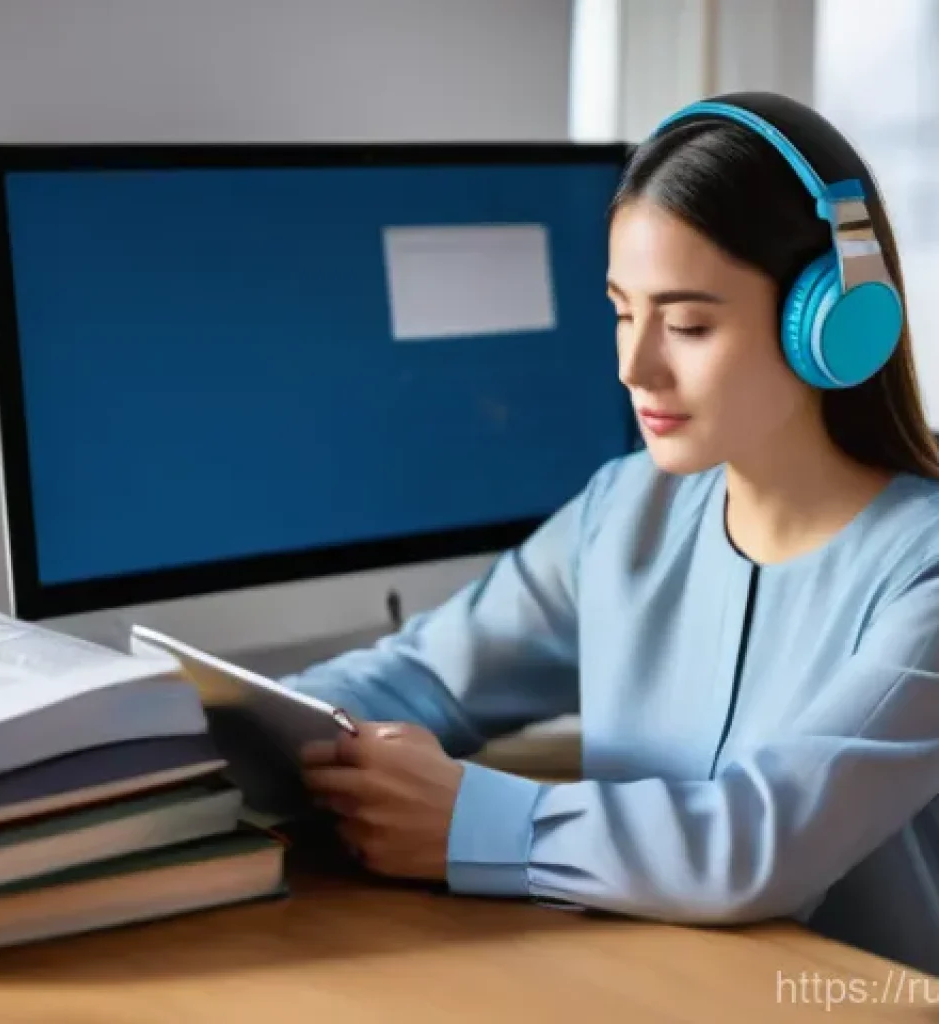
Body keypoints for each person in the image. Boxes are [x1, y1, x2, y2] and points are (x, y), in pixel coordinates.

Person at [286, 92, 939, 973]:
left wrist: (473, 824)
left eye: (687, 324)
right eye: (623, 312)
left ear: (834, 326)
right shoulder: (624, 510)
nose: (633, 366)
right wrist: (168, 731)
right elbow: (423, 674)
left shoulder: (922, 569)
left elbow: (764, 842)